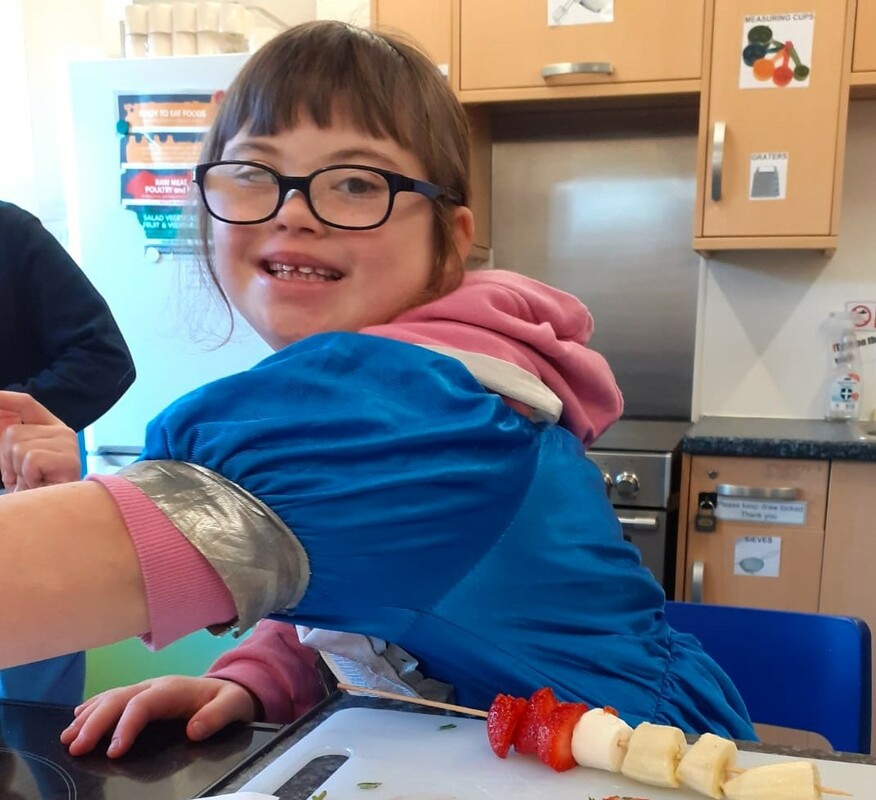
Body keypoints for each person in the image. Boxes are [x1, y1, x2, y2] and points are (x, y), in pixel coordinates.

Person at [0, 20, 756, 759]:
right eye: (254, 173)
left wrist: (80, 517)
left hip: (638, 769)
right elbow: (373, 588)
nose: (291, 210)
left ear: (450, 241)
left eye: (357, 182)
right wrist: (256, 681)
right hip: (492, 756)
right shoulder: (411, 385)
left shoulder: (404, 410)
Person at [0, 201, 136, 706]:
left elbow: (104, 358)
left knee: (36, 710)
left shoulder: (9, 232)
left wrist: (13, 420)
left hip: (23, 493)